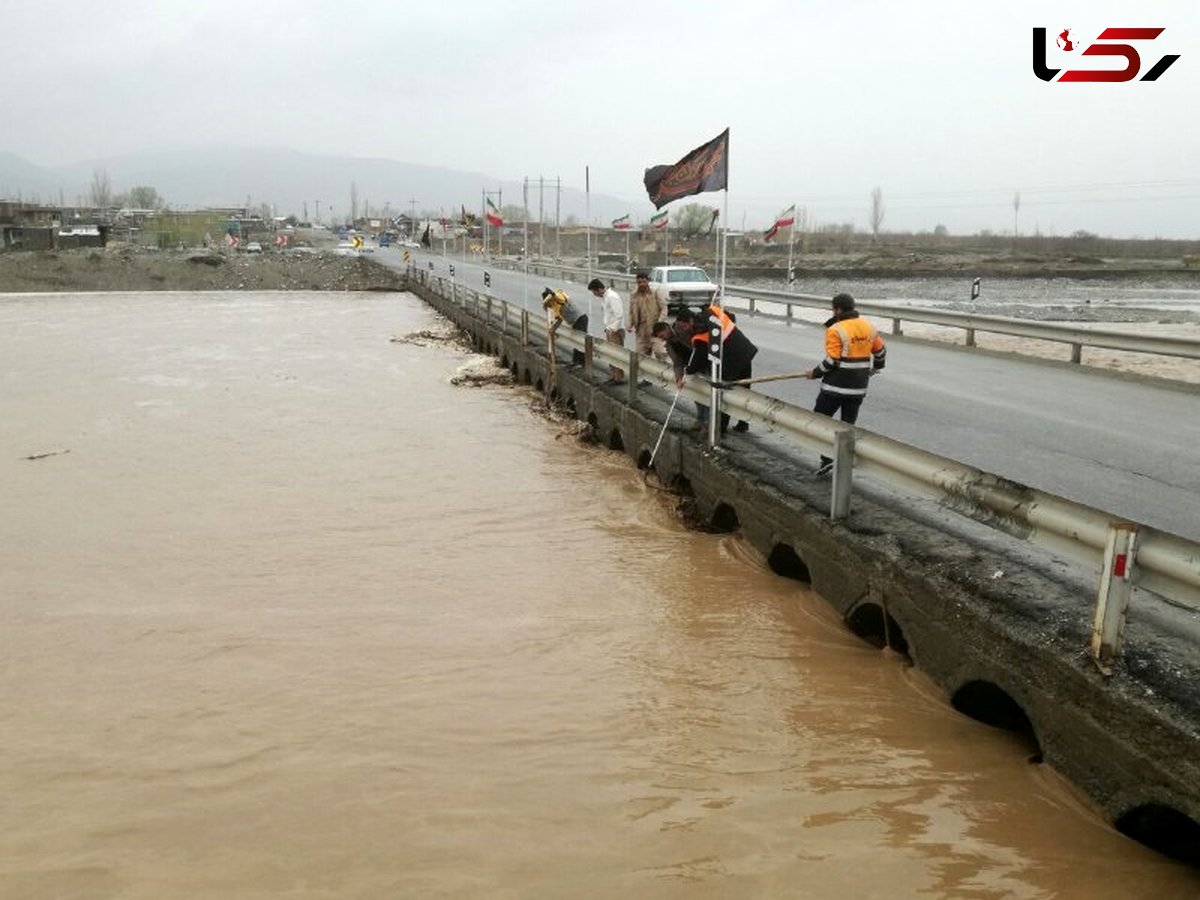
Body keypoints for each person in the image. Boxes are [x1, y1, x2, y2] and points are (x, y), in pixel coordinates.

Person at [806, 292, 886, 474]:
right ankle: (844, 461)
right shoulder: (869, 328)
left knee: (820, 420)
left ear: (838, 309)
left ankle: (826, 459)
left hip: (834, 388)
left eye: (833, 309)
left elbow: (831, 362)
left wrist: (814, 373)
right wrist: (874, 369)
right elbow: (880, 353)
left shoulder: (835, 330)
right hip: (858, 389)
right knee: (848, 426)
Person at [589, 277, 626, 384]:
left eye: (594, 292)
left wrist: (612, 329)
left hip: (615, 330)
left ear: (599, 289)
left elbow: (619, 315)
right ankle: (614, 376)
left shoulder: (612, 297)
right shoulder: (605, 298)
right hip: (610, 329)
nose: (594, 294)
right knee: (611, 354)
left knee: (616, 355)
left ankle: (618, 378)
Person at [542, 287, 588, 366]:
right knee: (576, 341)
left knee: (579, 341)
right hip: (575, 321)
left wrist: (552, 294)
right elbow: (560, 319)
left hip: (580, 319)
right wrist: (553, 329)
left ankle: (581, 362)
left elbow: (559, 298)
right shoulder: (555, 305)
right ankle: (576, 361)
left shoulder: (559, 297)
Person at [626, 271, 666, 358]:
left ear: (648, 281)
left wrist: (659, 323)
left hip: (655, 329)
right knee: (640, 355)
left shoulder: (655, 292)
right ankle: (642, 371)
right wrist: (629, 324)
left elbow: (664, 309)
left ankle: (660, 371)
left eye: (644, 282)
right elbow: (631, 311)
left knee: (660, 353)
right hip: (641, 330)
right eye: (639, 282)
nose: (642, 284)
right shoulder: (634, 294)